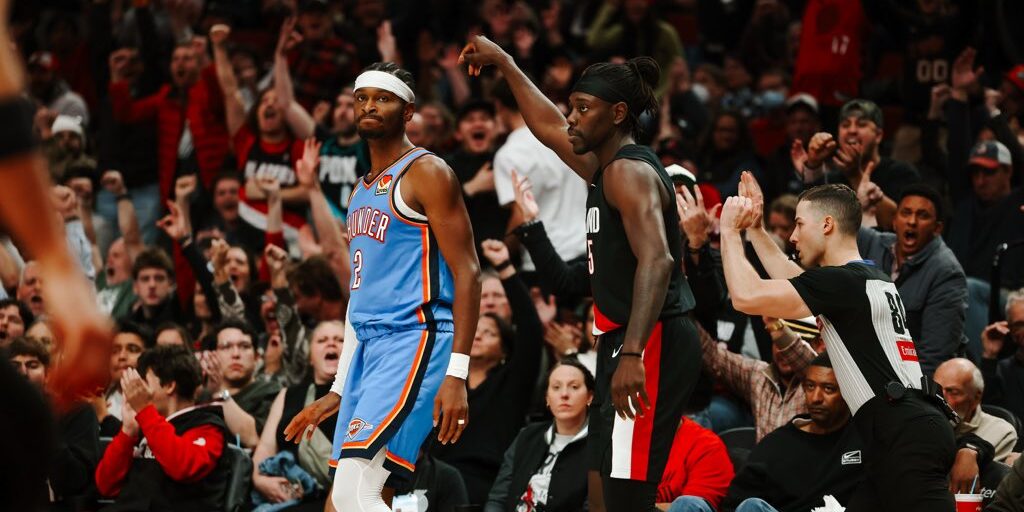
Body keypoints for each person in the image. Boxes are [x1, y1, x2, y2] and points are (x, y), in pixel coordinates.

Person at [461, 38, 702, 512]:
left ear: (617, 114)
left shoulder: (628, 173)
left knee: (625, 495)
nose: (570, 117)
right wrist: (506, 63)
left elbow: (658, 260)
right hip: (623, 338)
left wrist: (632, 351)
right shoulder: (603, 167)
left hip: (649, 340)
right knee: (601, 487)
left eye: (583, 108)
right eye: (572, 106)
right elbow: (547, 126)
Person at [283, 61, 480, 512]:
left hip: (416, 338)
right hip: (370, 351)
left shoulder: (428, 172)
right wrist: (339, 388)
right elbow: (360, 298)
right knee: (342, 503)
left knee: (355, 494)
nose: (369, 106)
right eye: (362, 98)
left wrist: (457, 373)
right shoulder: (359, 192)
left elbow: (469, 272)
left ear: (408, 112)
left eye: (383, 98)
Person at [719, 172, 955, 510]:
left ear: (827, 224)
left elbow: (745, 296)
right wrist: (755, 230)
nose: (793, 236)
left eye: (799, 224)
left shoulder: (843, 283)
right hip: (900, 430)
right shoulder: (868, 276)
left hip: (904, 432)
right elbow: (796, 281)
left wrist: (729, 231)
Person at [432, 240, 543, 504]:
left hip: (488, 485)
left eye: (489, 333)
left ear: (504, 349)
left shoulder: (512, 382)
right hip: (435, 480)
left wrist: (505, 268)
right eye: (474, 332)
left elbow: (531, 330)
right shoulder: (444, 380)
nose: (478, 337)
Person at [721, 354, 865, 512]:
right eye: (810, 386)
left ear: (847, 392)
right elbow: (734, 503)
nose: (816, 398)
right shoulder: (777, 443)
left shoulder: (865, 437)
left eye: (828, 389)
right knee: (751, 506)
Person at [94, 344, 230, 510]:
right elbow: (106, 486)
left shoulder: (208, 427)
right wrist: (127, 432)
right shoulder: (146, 424)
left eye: (144, 383)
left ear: (169, 386)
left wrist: (145, 411)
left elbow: (183, 467)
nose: (137, 391)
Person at [856, 184, 969, 373]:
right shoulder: (873, 243)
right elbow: (828, 228)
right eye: (906, 213)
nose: (912, 221)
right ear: (894, 221)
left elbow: (934, 357)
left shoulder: (947, 273)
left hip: (911, 376)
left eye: (923, 216)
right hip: (870, 365)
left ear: (937, 228)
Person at [490, 78, 586, 271]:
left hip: (546, 261)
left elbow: (521, 215)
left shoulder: (508, 155)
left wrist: (502, 253)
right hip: (588, 249)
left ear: (499, 106)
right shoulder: (565, 137)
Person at [252, 321, 344, 508]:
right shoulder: (287, 395)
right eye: (322, 340)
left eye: (340, 340)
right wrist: (259, 480)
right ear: (310, 357)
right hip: (291, 501)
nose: (331, 343)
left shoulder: (364, 396)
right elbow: (265, 448)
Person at [485, 359, 593, 512]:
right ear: (547, 398)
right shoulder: (527, 436)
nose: (564, 394)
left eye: (574, 387)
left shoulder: (599, 444)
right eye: (556, 387)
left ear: (590, 397)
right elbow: (497, 499)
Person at [7, 336, 101, 510]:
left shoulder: (76, 411)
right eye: (14, 367)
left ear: (47, 374)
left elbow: (76, 480)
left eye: (32, 365)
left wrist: (40, 423)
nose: (23, 373)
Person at [698, 319, 818, 440]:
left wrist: (774, 323)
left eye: (786, 344)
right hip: (762, 452)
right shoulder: (759, 375)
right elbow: (713, 355)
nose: (783, 351)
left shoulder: (818, 384)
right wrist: (688, 319)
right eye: (777, 343)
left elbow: (807, 363)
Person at [202, 320, 281, 449]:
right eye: (226, 347)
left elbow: (254, 439)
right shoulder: (201, 397)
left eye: (244, 346)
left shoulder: (271, 392)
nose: (236, 354)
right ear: (212, 355)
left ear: (256, 357)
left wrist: (220, 393)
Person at [980, 290, 1024, 421]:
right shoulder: (1001, 372)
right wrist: (990, 354)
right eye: (1019, 325)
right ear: (1010, 329)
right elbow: (985, 411)